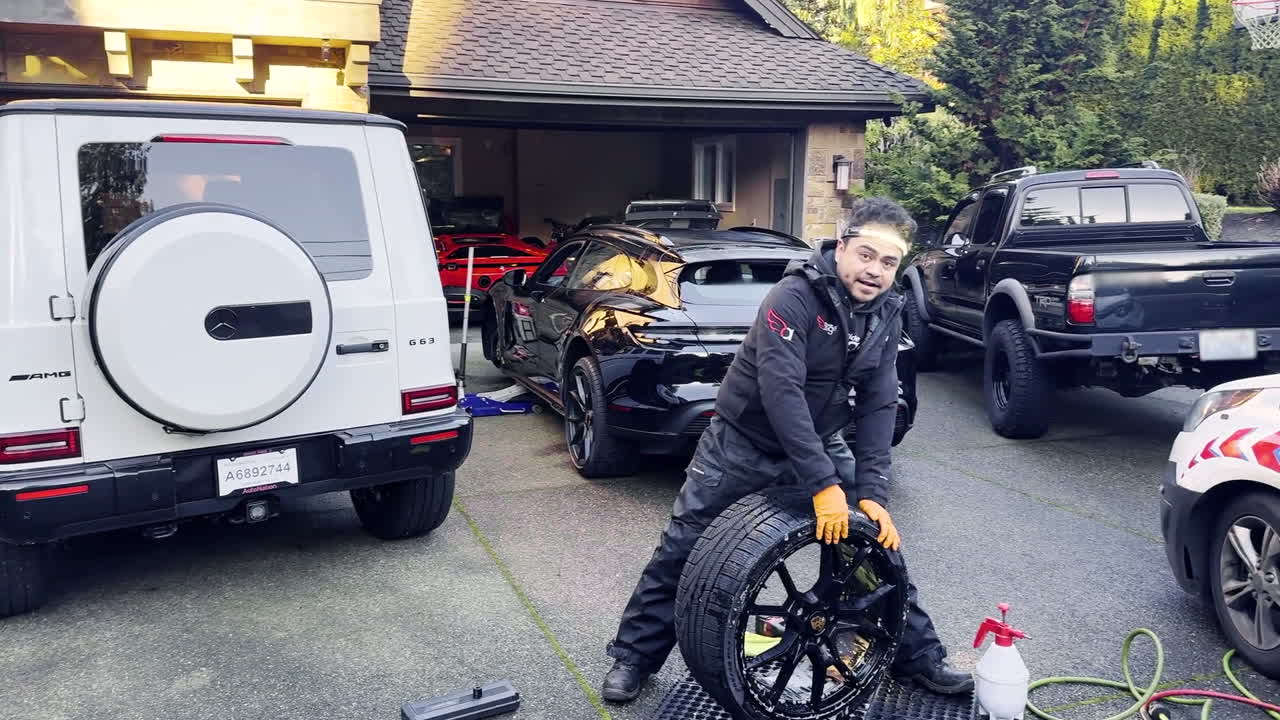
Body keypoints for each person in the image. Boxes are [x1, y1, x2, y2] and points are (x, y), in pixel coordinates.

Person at [600, 197, 974, 703]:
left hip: (819, 440)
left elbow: (881, 400)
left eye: (889, 263)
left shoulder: (888, 311)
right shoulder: (791, 297)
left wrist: (872, 492)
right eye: (866, 255)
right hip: (740, 443)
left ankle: (918, 658)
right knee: (683, 551)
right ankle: (634, 660)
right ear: (842, 247)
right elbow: (782, 393)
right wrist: (823, 486)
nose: (875, 271)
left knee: (871, 545)